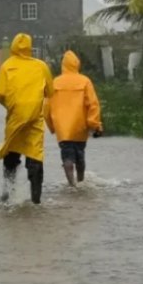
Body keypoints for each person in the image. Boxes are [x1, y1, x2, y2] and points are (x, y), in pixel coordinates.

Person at [0, 33, 53, 204]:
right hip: (35, 118)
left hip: (15, 116)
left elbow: (0, 93)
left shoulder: (6, 66)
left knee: (11, 152)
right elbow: (50, 91)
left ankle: (8, 194)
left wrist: (11, 105)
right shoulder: (41, 66)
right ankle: (36, 199)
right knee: (35, 154)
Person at [44, 50, 103, 187]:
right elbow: (93, 104)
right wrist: (94, 124)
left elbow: (46, 107)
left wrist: (52, 126)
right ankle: (81, 181)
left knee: (67, 156)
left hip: (62, 128)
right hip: (80, 126)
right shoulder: (85, 81)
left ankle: (72, 184)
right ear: (77, 64)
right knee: (80, 154)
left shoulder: (55, 82)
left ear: (63, 65)